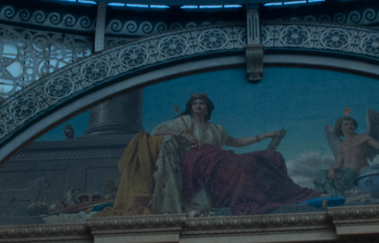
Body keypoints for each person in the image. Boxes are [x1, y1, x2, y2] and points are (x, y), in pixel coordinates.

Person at [110, 92, 319, 215]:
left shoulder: (216, 129)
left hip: (219, 159)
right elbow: (156, 132)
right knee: (243, 166)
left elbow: (236, 142)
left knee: (267, 158)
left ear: (207, 107)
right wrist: (183, 135)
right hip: (197, 162)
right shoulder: (182, 122)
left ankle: (278, 195)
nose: (198, 105)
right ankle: (245, 199)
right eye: (195, 103)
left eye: (202, 103)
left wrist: (265, 135)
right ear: (190, 107)